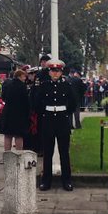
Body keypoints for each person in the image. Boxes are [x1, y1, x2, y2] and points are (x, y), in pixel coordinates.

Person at [36, 58, 77, 191]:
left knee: (64, 151)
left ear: (61, 72)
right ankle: (46, 181)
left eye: (57, 71)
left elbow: (73, 103)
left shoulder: (67, 86)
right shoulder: (43, 85)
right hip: (48, 119)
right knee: (47, 152)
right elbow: (36, 102)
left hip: (62, 119)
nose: (55, 74)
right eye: (53, 71)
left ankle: (67, 180)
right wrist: (43, 112)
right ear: (49, 72)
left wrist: (65, 112)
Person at [0, 69, 30, 150]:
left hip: (8, 112)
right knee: (18, 135)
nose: (24, 78)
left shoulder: (7, 84)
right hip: (19, 113)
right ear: (19, 76)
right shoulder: (22, 86)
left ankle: (7, 155)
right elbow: (26, 100)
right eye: (23, 76)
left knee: (8, 135)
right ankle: (19, 155)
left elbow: (3, 97)